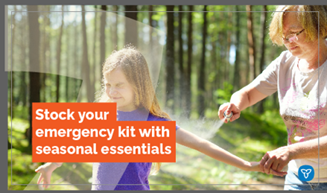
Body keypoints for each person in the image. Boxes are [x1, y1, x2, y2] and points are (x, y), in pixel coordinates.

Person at [35, 46, 284, 190]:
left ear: (138, 84)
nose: (111, 91)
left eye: (119, 85)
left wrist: (247, 165)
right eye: (107, 84)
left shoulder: (154, 124)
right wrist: (52, 165)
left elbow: (202, 144)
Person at [218, 5, 327, 190]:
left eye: (294, 32)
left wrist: (291, 151)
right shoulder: (285, 62)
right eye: (284, 35)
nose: (288, 41)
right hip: (298, 177)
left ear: (318, 24)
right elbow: (248, 93)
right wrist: (234, 104)